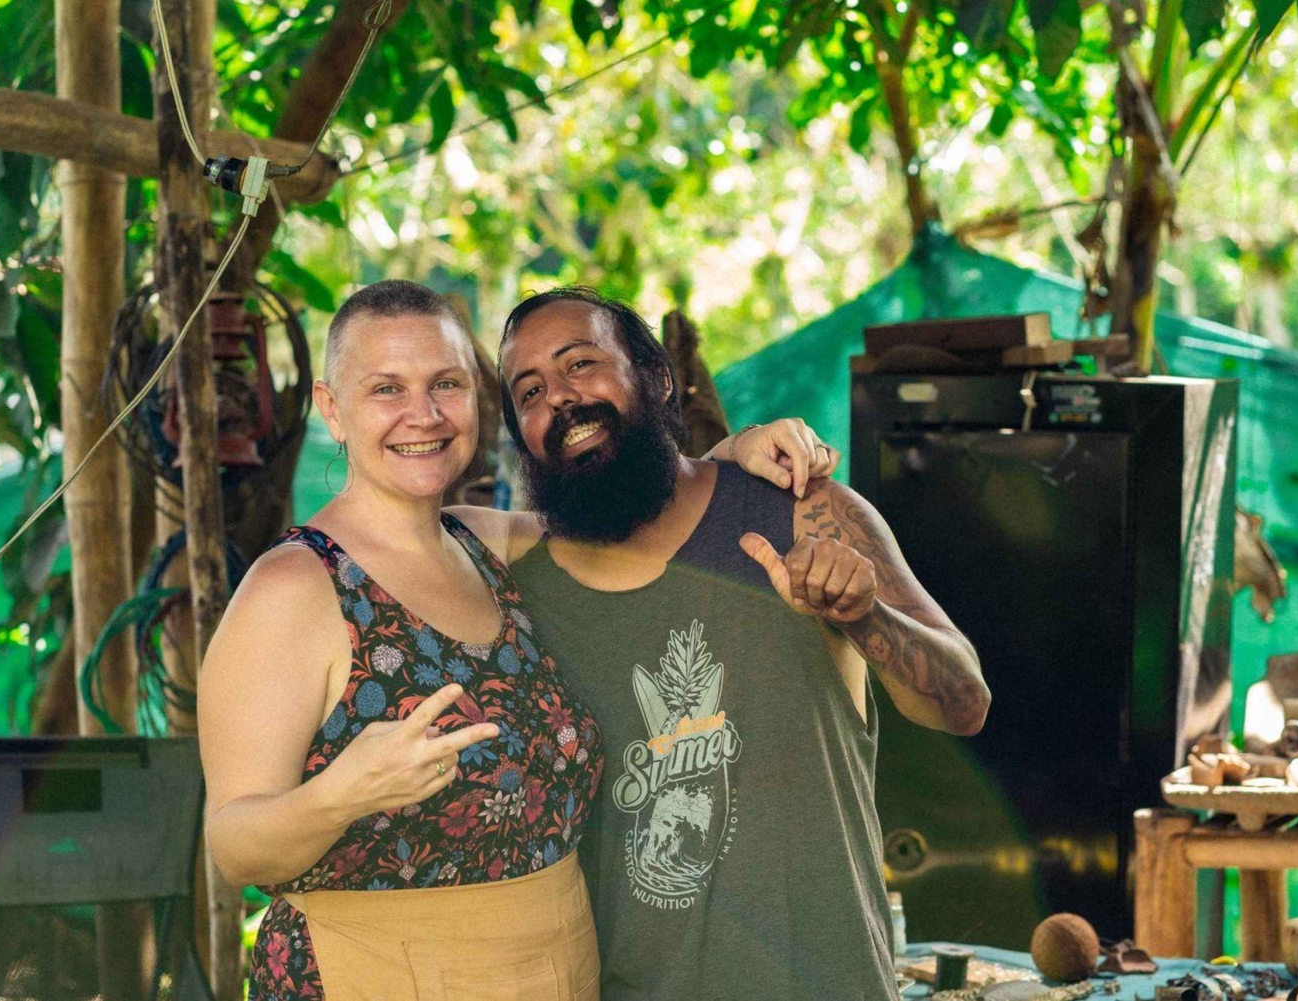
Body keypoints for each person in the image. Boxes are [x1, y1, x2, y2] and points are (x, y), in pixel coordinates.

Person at [197, 279, 838, 1001]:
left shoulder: (489, 544)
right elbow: (232, 843)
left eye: (447, 383)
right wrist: (342, 795)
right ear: (332, 409)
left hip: (553, 969)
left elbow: (635, 508)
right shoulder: (294, 587)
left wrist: (729, 457)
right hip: (374, 974)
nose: (424, 414)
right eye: (386, 388)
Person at [496, 287, 991, 1001]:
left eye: (581, 364)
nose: (562, 399)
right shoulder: (521, 600)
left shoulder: (803, 512)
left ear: (656, 377)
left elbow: (965, 701)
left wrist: (864, 615)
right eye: (531, 391)